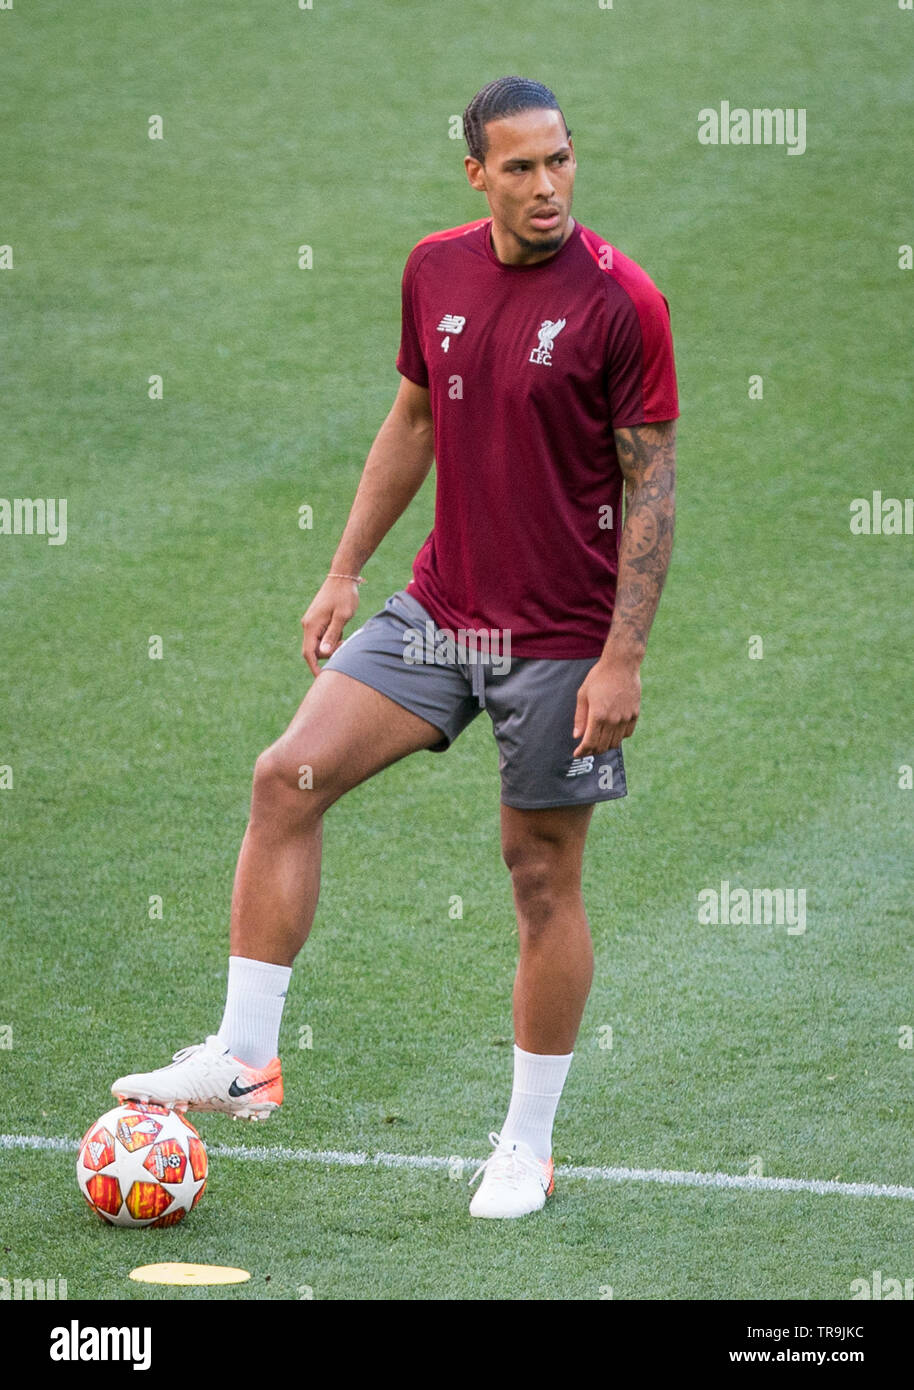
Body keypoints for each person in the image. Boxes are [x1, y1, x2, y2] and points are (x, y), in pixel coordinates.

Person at [112, 75, 679, 1220]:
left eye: (559, 160)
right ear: (476, 174)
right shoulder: (436, 269)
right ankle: (244, 1054)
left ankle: (524, 1143)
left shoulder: (624, 303)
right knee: (286, 777)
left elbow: (650, 482)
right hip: (440, 610)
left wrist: (621, 658)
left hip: (560, 641)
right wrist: (341, 569)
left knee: (537, 880)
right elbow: (414, 419)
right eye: (518, 167)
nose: (546, 187)